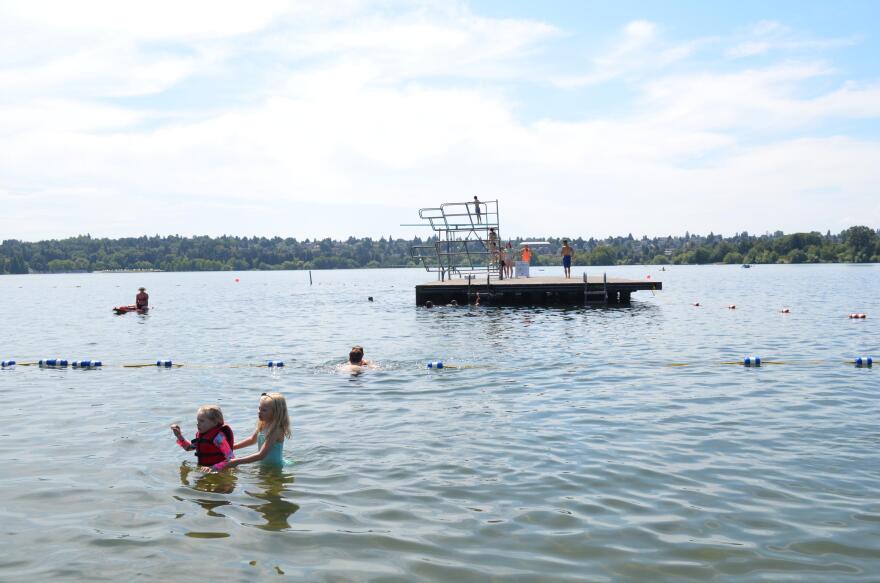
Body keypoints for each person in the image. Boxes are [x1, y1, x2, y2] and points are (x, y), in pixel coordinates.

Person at [227, 392, 291, 469]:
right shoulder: (263, 424)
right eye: (259, 408)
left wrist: (237, 461)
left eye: (264, 410)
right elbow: (252, 440)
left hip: (274, 468)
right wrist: (232, 447)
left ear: (275, 412)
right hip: (263, 464)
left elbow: (261, 455)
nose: (259, 412)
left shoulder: (276, 430)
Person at [171, 405, 235, 471]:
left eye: (202, 421)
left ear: (215, 422)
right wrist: (179, 436)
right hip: (205, 470)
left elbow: (231, 459)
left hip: (220, 472)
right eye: (197, 421)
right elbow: (188, 448)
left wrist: (214, 467)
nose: (198, 424)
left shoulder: (219, 438)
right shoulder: (201, 436)